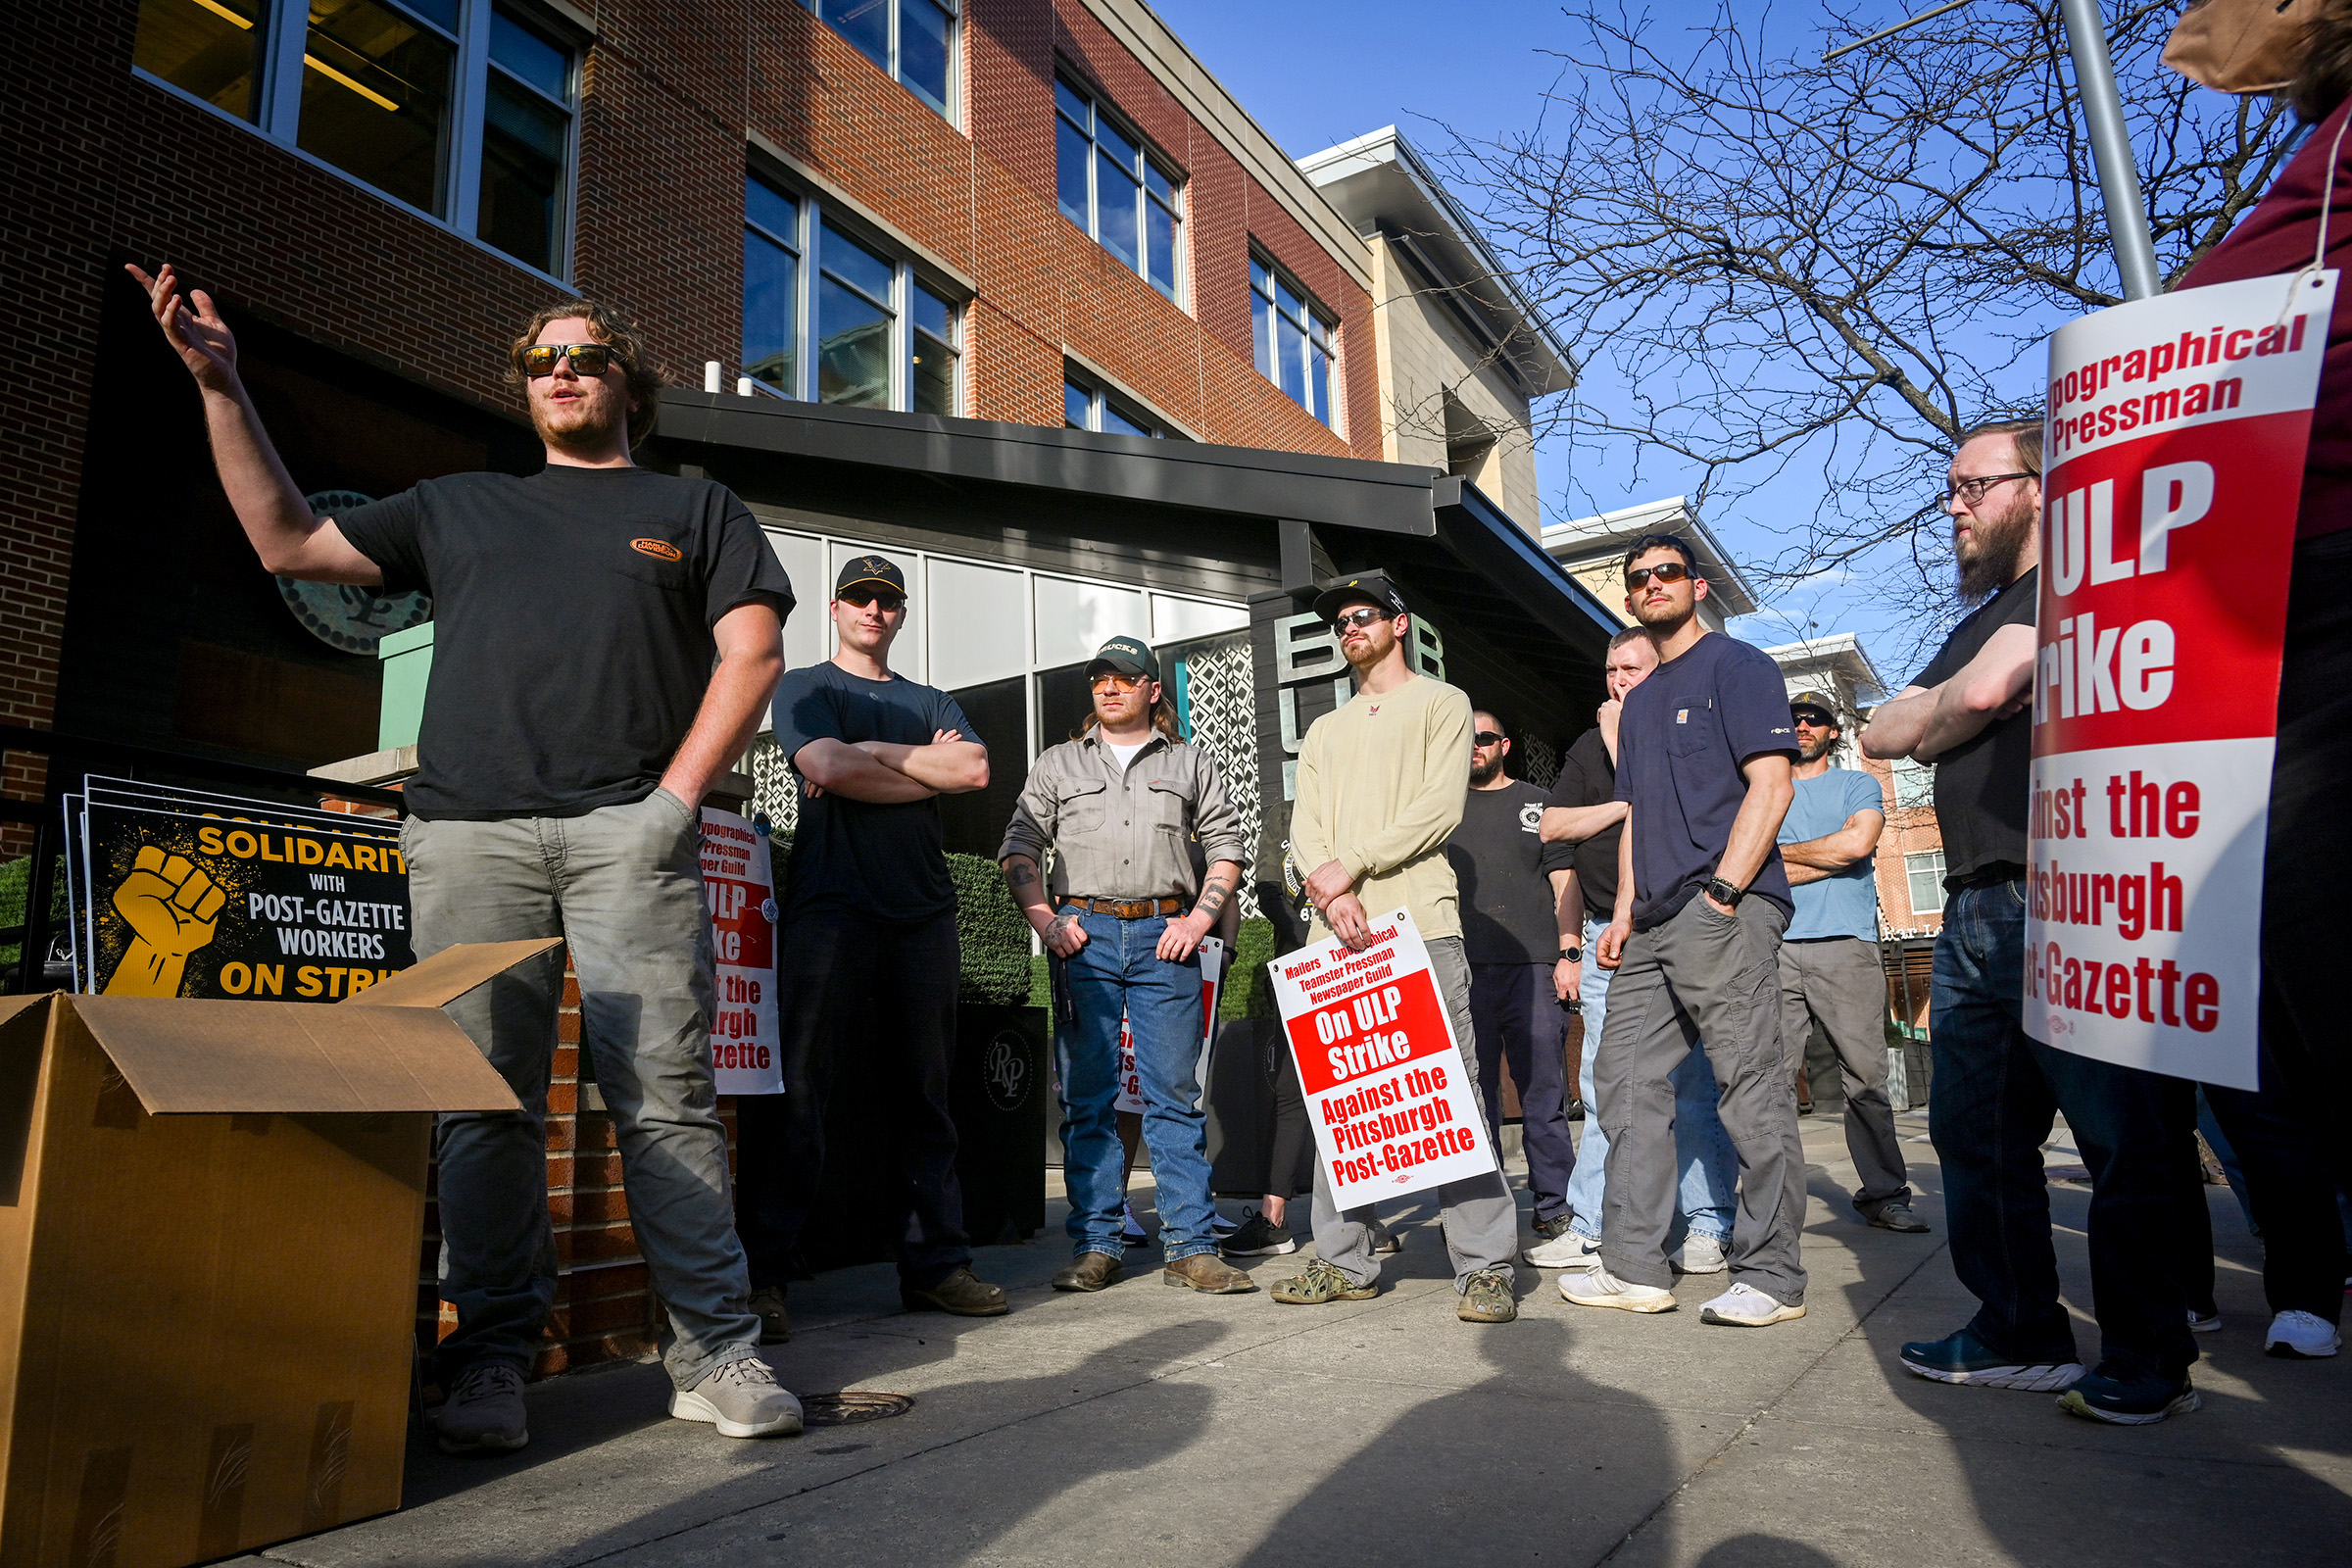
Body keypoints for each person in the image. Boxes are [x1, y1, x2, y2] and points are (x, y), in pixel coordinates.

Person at [127, 266, 803, 1447]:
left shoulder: (698, 511)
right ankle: (489, 1363)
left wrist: (669, 805)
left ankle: (715, 1352)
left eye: (584, 356)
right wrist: (223, 383)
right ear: (524, 389)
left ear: (626, 379)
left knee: (668, 1100)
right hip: (465, 834)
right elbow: (288, 544)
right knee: (482, 1107)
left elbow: (751, 658)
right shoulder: (455, 505)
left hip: (624, 837)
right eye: (542, 362)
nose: (562, 374)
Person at [1863, 419, 2199, 1423]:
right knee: (1973, 1136)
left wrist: (1959, 700)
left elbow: (1969, 698)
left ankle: (2148, 1355)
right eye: (1952, 487)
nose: (1953, 505)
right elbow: (1888, 727)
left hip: (2070, 891)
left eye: (1973, 484)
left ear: (2044, 486)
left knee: (2118, 1135)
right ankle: (2020, 1328)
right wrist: (1965, 697)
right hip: (1971, 906)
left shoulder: (2087, 587)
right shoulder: (1987, 617)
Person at [735, 556, 1007, 1334]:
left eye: (887, 601)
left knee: (925, 1096)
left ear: (901, 615)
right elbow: (820, 762)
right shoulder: (807, 686)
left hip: (923, 911)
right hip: (831, 905)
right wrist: (925, 768)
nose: (873, 610)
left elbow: (977, 768)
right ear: (836, 607)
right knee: (799, 1090)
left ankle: (935, 1267)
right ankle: (766, 1278)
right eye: (860, 598)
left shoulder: (929, 698)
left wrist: (873, 757)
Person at [1561, 534, 1809, 1328]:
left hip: (1723, 910)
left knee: (1749, 1086)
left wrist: (1725, 894)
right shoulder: (1636, 708)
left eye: (1666, 572)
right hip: (1652, 925)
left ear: (1696, 586)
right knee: (1624, 1082)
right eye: (1638, 579)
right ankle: (1634, 1265)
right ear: (1629, 598)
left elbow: (1771, 787)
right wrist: (1626, 913)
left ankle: (1771, 1276)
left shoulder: (1739, 668)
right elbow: (1639, 820)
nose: (1651, 584)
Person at [1270, 574, 1520, 1323]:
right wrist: (1331, 886)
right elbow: (1305, 825)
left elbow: (1439, 809)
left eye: (1362, 616)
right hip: (1334, 929)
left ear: (1398, 623)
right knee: (1343, 1102)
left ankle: (1483, 1264)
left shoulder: (1442, 705)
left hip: (1418, 923)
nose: (1349, 629)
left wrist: (1354, 865)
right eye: (1338, 623)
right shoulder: (1324, 729)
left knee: (1450, 1095)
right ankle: (1343, 1259)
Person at [1000, 636, 1256, 1295]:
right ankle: (1098, 1244)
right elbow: (1020, 846)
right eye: (1100, 679)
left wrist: (1199, 921)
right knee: (1088, 1099)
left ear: (1152, 689)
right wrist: (1046, 923)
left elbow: (1228, 845)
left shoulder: (1191, 763)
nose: (1110, 688)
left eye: (1124, 677)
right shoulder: (1057, 764)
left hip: (1163, 937)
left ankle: (1192, 1248)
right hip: (1082, 939)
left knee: (1174, 1095)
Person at [1529, 627, 1740, 1276]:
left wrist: (1626, 759)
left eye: (1634, 668)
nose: (1620, 680)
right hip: (1602, 936)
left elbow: (1672, 804)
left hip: (1680, 924)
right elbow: (1552, 825)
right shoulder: (1589, 747)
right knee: (1604, 1085)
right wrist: (1621, 802)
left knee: (1692, 1083)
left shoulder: (1692, 729)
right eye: (1612, 671)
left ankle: (1708, 1223)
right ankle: (1591, 1221)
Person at [1775, 692, 1926, 1233]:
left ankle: (1885, 1195)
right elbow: (1742, 862)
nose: (1803, 726)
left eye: (1814, 719)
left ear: (1832, 732)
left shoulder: (1857, 784)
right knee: (1768, 1082)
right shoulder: (1763, 790)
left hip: (1847, 945)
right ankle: (1774, 1209)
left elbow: (1856, 846)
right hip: (1774, 947)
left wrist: (1777, 856)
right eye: (1793, 718)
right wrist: (1830, 852)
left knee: (1865, 1077)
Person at [1446, 710, 1579, 1240]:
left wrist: (1569, 952)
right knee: (1472, 1100)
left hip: (1534, 969)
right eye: (1465, 739)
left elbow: (1565, 882)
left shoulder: (1539, 803)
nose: (1473, 747)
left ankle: (1555, 1204)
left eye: (1483, 738)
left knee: (1544, 1094)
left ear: (1503, 745)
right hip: (1462, 971)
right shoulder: (1440, 810)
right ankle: (1478, 1216)